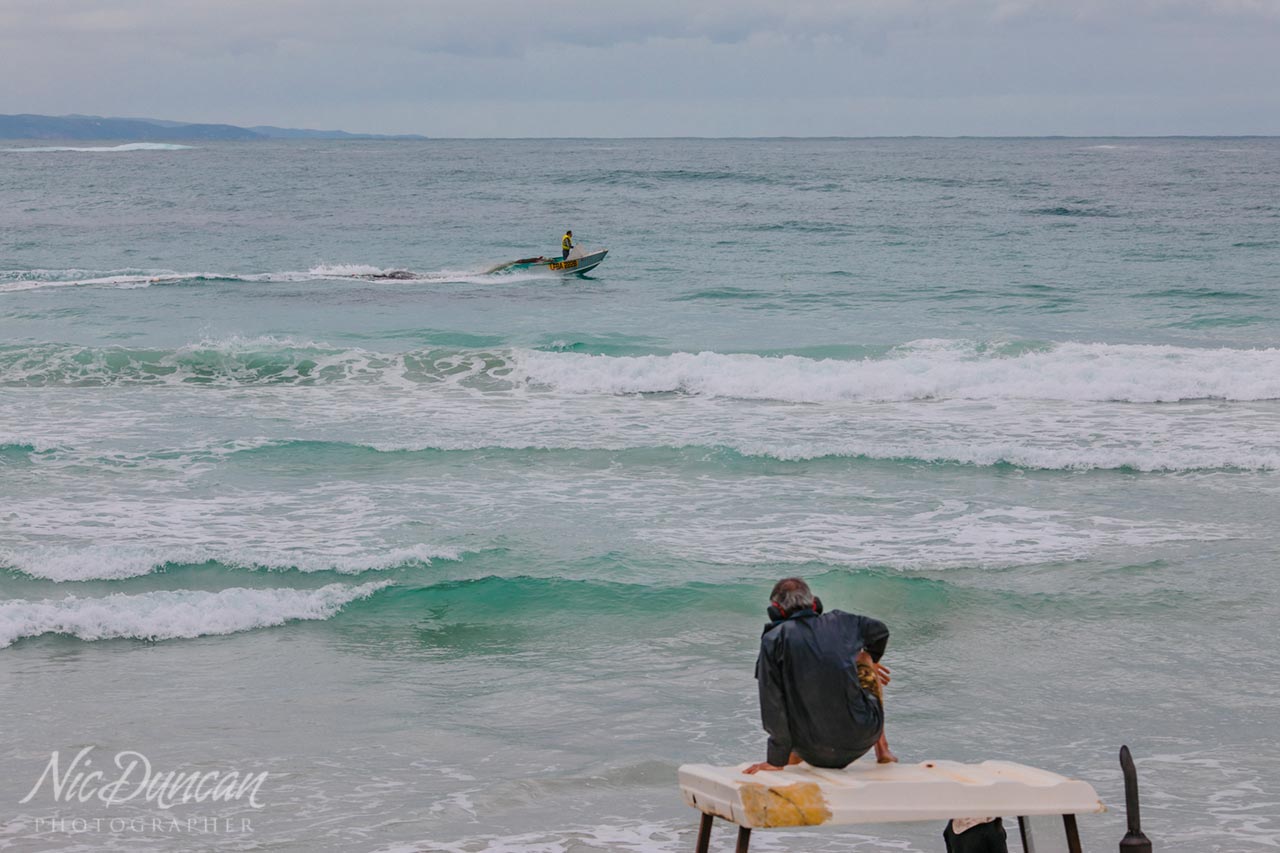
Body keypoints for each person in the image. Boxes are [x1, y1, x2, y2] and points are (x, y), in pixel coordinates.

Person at [744, 577, 896, 775]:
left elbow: (773, 704)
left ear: (777, 611)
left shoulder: (773, 639)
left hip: (811, 750)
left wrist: (775, 760)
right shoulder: (843, 621)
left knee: (794, 696)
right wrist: (871, 659)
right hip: (863, 736)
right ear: (814, 603)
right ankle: (882, 749)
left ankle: (789, 760)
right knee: (863, 659)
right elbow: (880, 632)